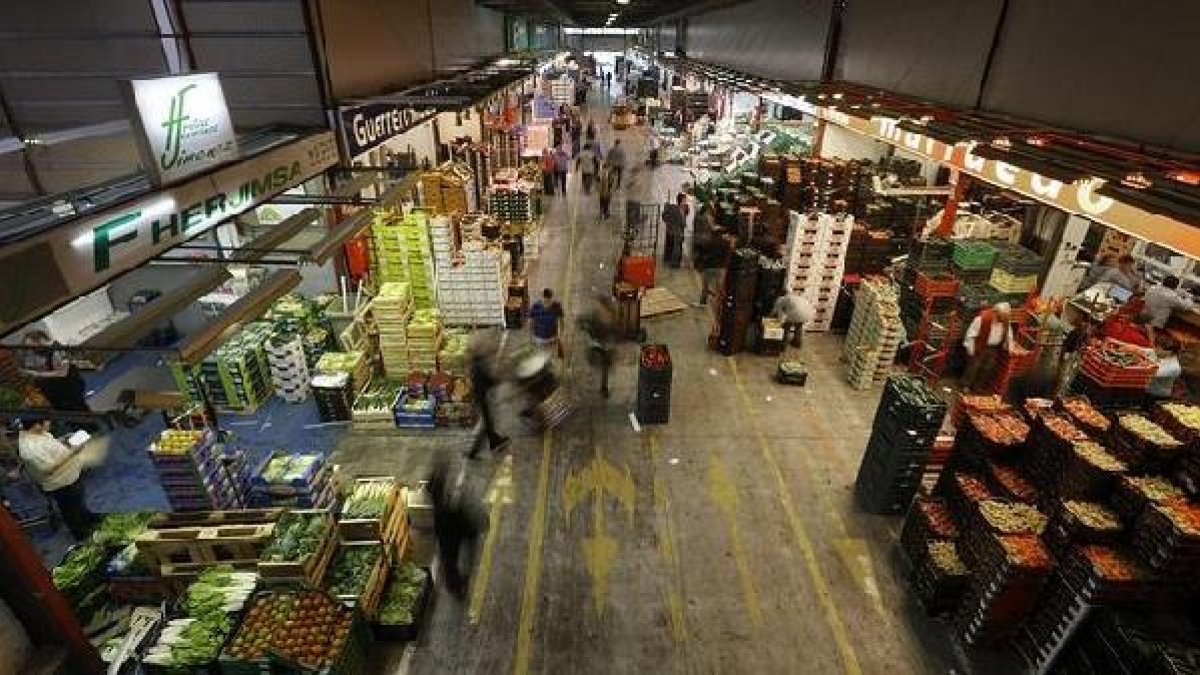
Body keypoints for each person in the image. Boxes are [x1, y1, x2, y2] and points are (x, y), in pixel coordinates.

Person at [18, 418, 92, 540]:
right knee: (70, 510)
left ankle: (87, 518)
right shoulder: (29, 449)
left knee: (78, 502)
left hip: (70, 475)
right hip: (60, 483)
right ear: (36, 425)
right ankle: (81, 534)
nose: (50, 423)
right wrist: (73, 452)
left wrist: (63, 439)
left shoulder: (37, 432)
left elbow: (46, 446)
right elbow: (48, 468)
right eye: (47, 421)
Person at [427, 456, 486, 599]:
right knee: (450, 560)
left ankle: (455, 583)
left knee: (451, 559)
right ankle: (455, 587)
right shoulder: (442, 501)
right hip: (449, 531)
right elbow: (454, 512)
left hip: (450, 529)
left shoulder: (439, 494)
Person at [20, 330, 89, 412]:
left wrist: (37, 374)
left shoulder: (57, 350)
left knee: (80, 411)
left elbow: (62, 373)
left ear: (40, 340)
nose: (31, 350)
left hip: (70, 390)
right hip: (60, 395)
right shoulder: (44, 354)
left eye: (32, 347)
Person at [466, 337, 509, 459]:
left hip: (480, 397)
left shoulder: (475, 363)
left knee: (489, 423)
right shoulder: (480, 365)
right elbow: (488, 381)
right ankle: (473, 453)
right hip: (483, 399)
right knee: (487, 425)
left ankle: (495, 441)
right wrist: (499, 379)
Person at [962, 302, 1015, 392]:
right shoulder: (981, 319)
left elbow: (1009, 335)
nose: (1001, 320)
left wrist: (1010, 348)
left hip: (993, 348)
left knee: (988, 367)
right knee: (974, 366)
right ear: (995, 312)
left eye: (1003, 318)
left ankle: (977, 386)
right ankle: (966, 385)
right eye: (1000, 317)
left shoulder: (1005, 321)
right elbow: (970, 335)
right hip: (980, 345)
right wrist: (971, 349)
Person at [577, 295, 618, 398]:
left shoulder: (612, 316)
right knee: (593, 364)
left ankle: (604, 388)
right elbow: (580, 320)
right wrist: (584, 328)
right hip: (595, 345)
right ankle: (591, 380)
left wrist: (612, 341)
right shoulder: (593, 316)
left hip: (606, 347)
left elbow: (615, 330)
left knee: (605, 368)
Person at [529, 288, 565, 358]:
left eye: (548, 301)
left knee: (549, 357)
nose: (546, 303)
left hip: (552, 339)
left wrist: (559, 337)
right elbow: (531, 322)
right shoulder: (535, 306)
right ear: (542, 298)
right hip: (539, 339)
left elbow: (561, 322)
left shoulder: (557, 306)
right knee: (540, 357)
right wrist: (531, 337)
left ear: (551, 298)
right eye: (544, 301)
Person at [662, 193, 687, 268]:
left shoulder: (683, 209)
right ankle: (674, 263)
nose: (685, 201)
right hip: (676, 232)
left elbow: (683, 220)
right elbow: (665, 217)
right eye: (684, 200)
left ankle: (675, 262)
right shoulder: (675, 208)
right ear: (681, 200)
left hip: (678, 231)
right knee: (676, 248)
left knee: (677, 247)